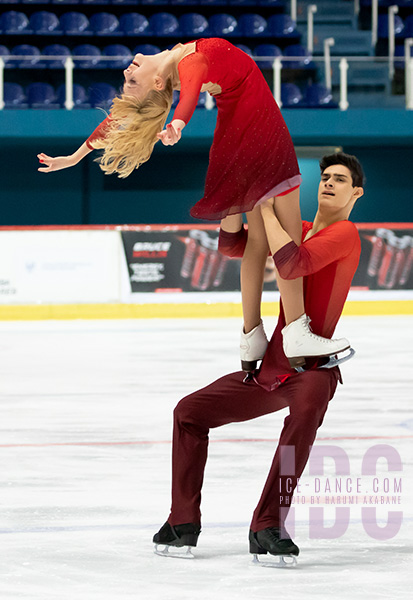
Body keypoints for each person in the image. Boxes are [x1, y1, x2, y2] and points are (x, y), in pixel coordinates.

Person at [37, 38, 349, 369]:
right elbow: (186, 98)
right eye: (131, 80)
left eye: (128, 78)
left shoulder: (176, 62)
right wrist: (178, 123)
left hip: (236, 134)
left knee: (258, 243)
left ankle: (251, 338)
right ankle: (296, 331)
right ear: (158, 83)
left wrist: (75, 157)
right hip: (261, 129)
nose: (127, 70)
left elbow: (122, 118)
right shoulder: (188, 62)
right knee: (287, 236)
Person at [152, 152, 365, 562]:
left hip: (313, 368)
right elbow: (235, 248)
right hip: (273, 365)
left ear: (356, 192)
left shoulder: (346, 233)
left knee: (301, 422)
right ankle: (182, 522)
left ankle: (268, 524)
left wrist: (265, 207)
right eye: (324, 176)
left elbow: (293, 262)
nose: (328, 182)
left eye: (339, 179)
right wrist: (237, 205)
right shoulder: (296, 228)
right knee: (189, 412)